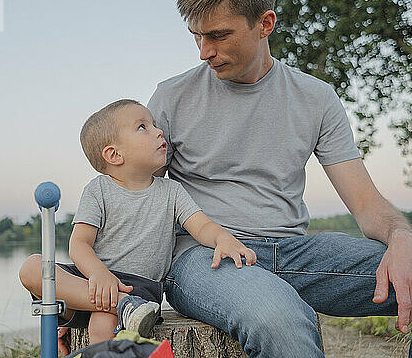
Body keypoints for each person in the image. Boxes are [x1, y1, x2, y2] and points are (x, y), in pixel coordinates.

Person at [144, 0, 412, 357]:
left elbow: (364, 202)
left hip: (294, 253)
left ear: (265, 24)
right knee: (281, 319)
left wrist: (403, 236)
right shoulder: (171, 98)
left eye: (219, 35)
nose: (205, 51)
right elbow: (133, 195)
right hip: (205, 259)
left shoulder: (316, 98)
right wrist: (97, 294)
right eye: (197, 36)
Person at [19, 99, 255, 346]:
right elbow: (79, 244)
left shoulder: (171, 191)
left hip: (138, 287)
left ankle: (122, 306)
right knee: (32, 268)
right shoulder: (98, 189)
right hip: (92, 279)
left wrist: (222, 238)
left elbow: (201, 226)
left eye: (154, 124)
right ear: (114, 154)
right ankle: (121, 306)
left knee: (101, 323)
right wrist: (99, 274)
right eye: (143, 127)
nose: (158, 131)